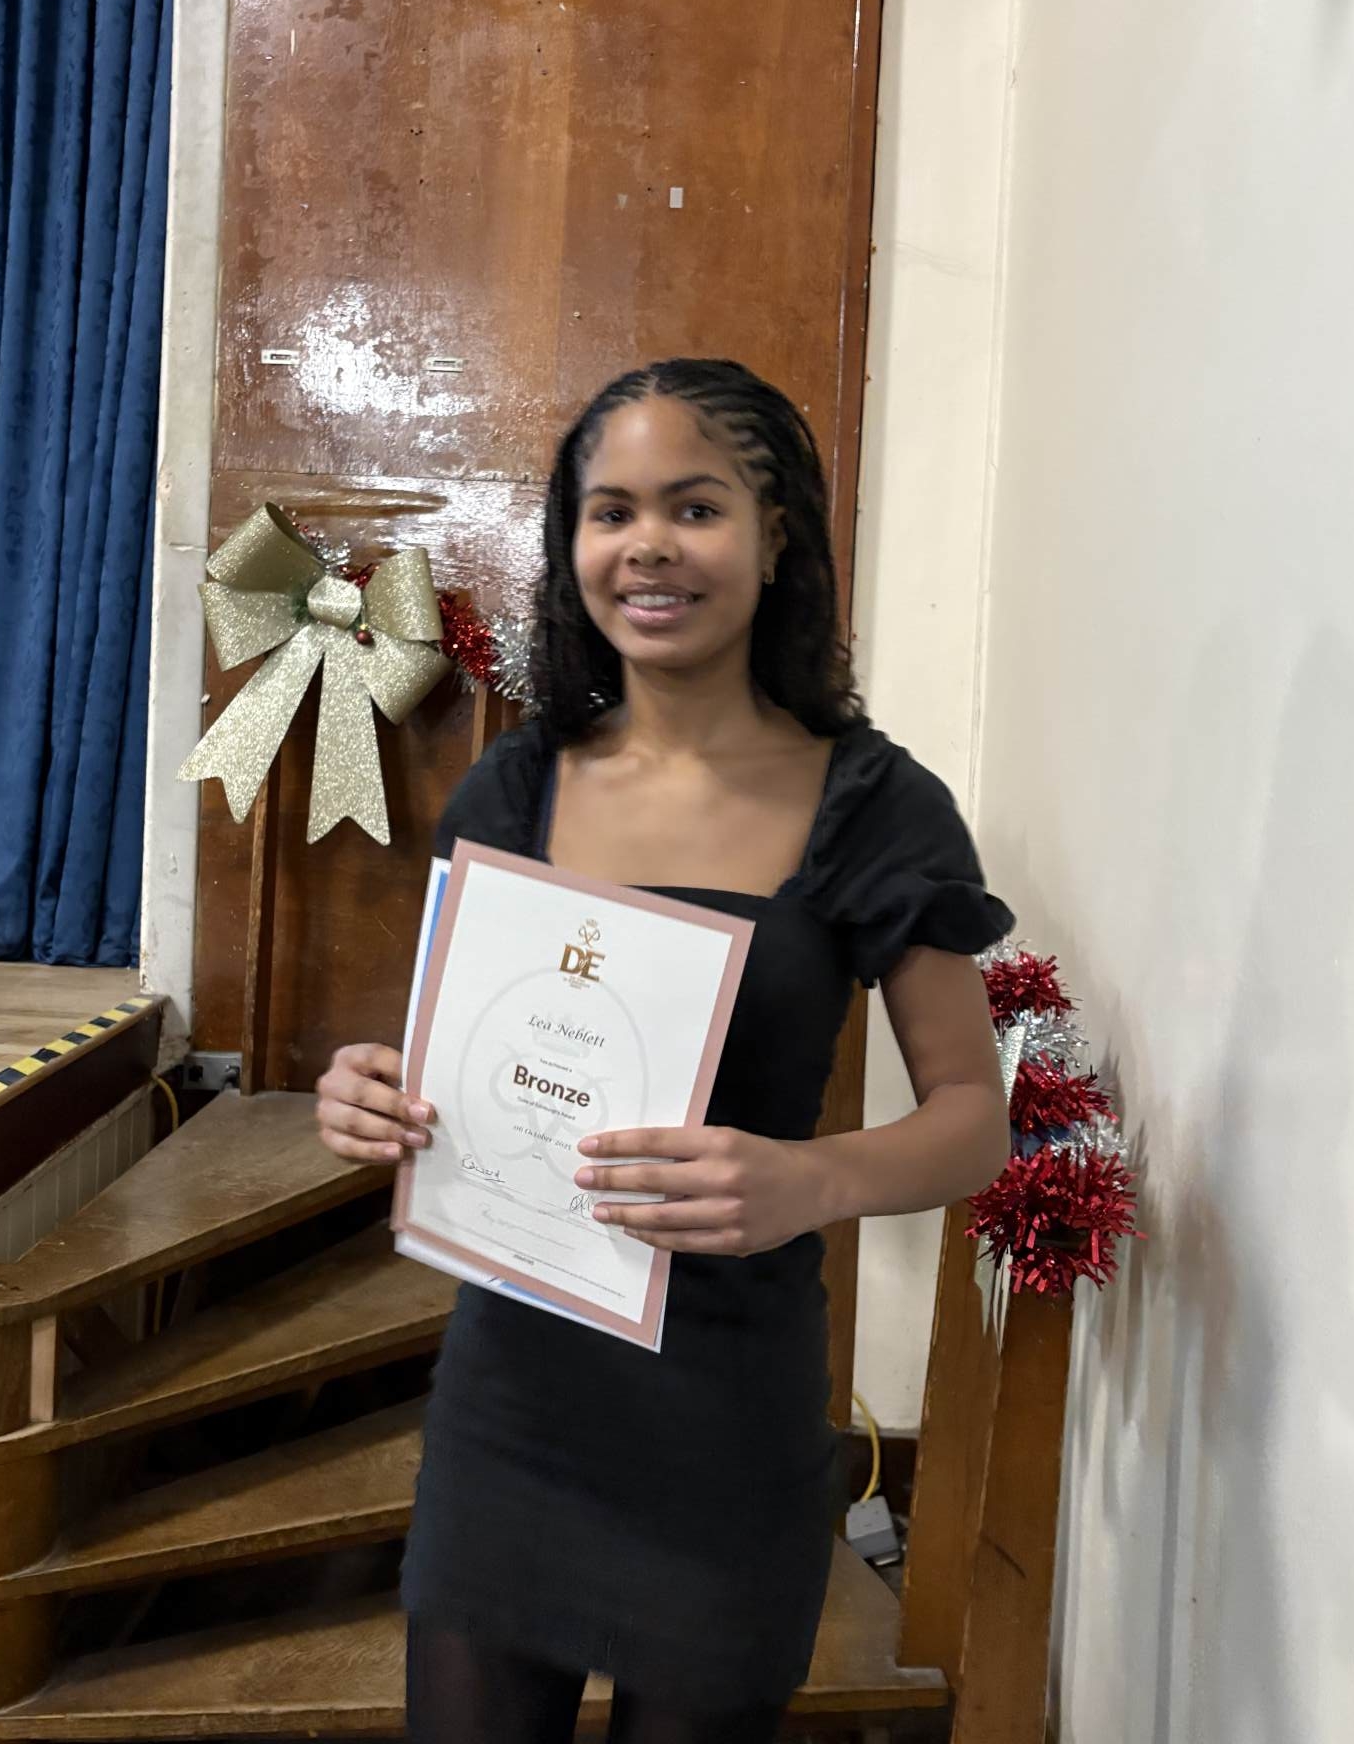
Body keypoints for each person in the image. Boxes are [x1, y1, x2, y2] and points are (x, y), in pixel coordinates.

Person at [315, 358, 1014, 1744]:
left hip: (726, 1419)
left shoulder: (876, 805)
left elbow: (972, 1119)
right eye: (611, 511)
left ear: (776, 537)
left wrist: (811, 1179)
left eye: (695, 509)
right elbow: (465, 1061)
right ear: (571, 542)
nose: (647, 546)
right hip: (513, 1401)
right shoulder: (514, 787)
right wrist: (372, 1094)